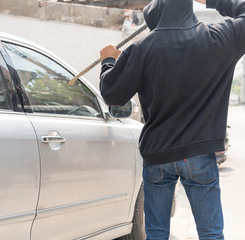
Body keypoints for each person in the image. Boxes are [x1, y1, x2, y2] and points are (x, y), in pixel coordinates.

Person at [99, 0, 245, 239]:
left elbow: (112, 94)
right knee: (211, 234)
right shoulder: (220, 39)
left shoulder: (142, 49)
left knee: (156, 234)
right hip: (200, 153)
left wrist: (109, 62)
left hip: (158, 155)